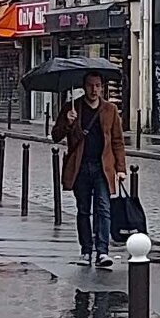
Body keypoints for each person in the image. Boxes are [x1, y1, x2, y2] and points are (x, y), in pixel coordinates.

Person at [53, 68, 129, 270]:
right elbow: (55, 135)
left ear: (102, 87)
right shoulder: (72, 108)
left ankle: (102, 251)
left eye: (97, 86)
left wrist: (120, 168)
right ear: (83, 87)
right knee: (83, 210)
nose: (94, 90)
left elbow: (117, 141)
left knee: (104, 208)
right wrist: (68, 122)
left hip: (103, 168)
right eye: (90, 86)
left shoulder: (110, 110)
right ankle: (86, 250)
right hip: (80, 167)